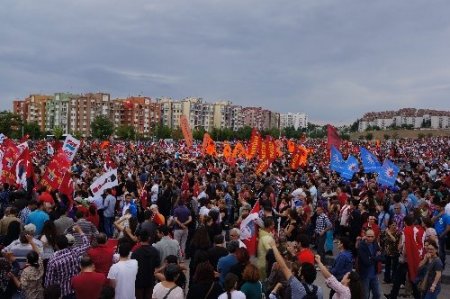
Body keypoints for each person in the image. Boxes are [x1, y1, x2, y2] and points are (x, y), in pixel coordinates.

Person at [45, 224, 90, 298]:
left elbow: (49, 282)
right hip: (73, 289)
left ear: (56, 245)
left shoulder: (53, 260)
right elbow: (87, 244)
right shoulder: (74, 252)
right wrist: (80, 231)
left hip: (60, 293)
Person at [8, 235, 44, 299]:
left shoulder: (26, 271)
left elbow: (21, 286)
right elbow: (38, 253)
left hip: (29, 295)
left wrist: (13, 276)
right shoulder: (40, 265)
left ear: (27, 260)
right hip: (40, 293)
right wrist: (31, 241)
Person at [131, 230, 161, 299]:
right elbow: (157, 265)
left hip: (138, 281)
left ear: (139, 238)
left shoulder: (135, 252)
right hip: (150, 281)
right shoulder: (154, 251)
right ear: (149, 238)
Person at [357, 229, 383, 299]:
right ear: (365, 236)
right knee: (365, 295)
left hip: (374, 274)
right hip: (365, 275)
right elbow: (366, 262)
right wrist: (375, 257)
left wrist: (371, 258)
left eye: (372, 236)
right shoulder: (362, 246)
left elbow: (381, 257)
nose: (370, 238)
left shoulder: (375, 243)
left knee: (377, 294)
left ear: (374, 237)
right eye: (368, 236)